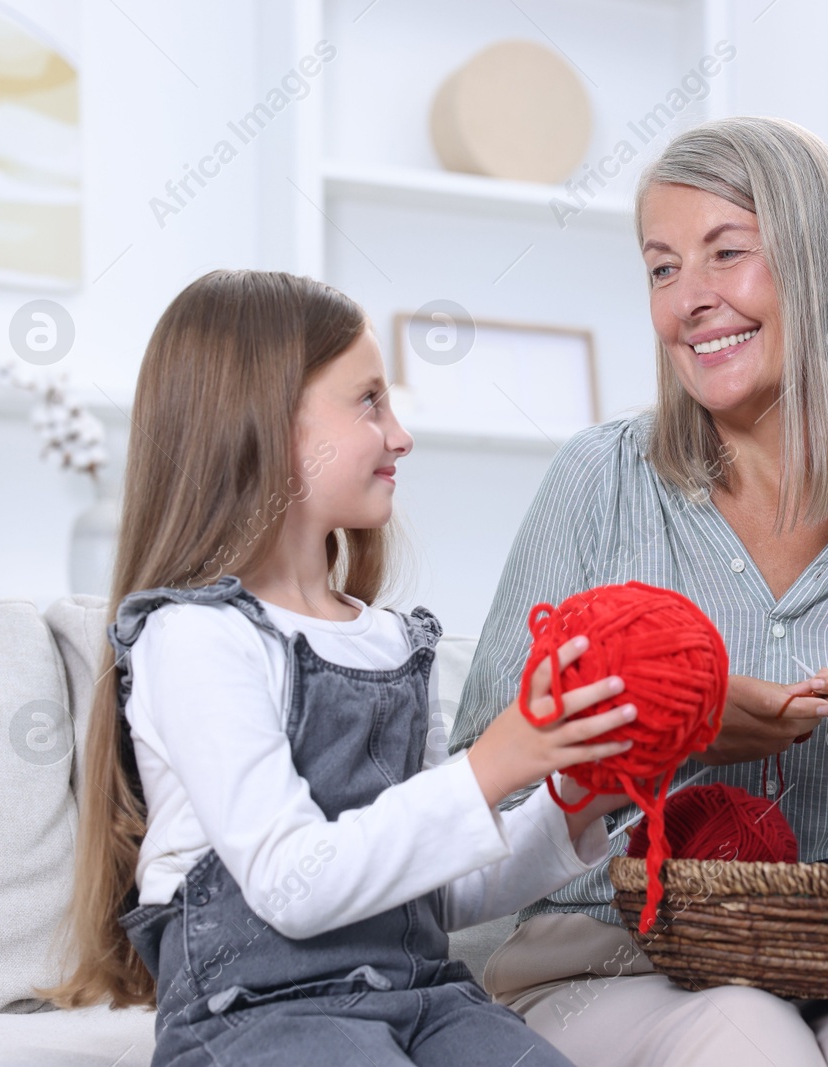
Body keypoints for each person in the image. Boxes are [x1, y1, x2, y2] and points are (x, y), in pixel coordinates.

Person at [449, 117, 828, 1067]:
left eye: (726, 255)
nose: (689, 301)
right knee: (748, 1034)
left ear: (819, 271)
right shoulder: (597, 484)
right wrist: (666, 738)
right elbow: (471, 810)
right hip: (619, 960)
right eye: (662, 269)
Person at [39, 269, 640, 1066]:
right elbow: (292, 883)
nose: (401, 434)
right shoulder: (194, 638)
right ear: (266, 420)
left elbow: (437, 889)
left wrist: (569, 800)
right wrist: (492, 766)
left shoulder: (389, 640)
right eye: (369, 401)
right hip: (258, 1012)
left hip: (422, 996)